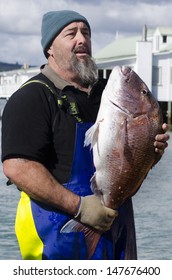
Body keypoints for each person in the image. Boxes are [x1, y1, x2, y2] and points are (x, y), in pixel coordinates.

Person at [1, 10, 169, 260]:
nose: (82, 39)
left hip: (118, 233)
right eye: (71, 33)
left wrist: (148, 155)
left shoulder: (106, 96)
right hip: (58, 241)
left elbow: (121, 164)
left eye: (86, 33)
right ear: (50, 48)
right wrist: (80, 208)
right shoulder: (31, 97)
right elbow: (18, 167)